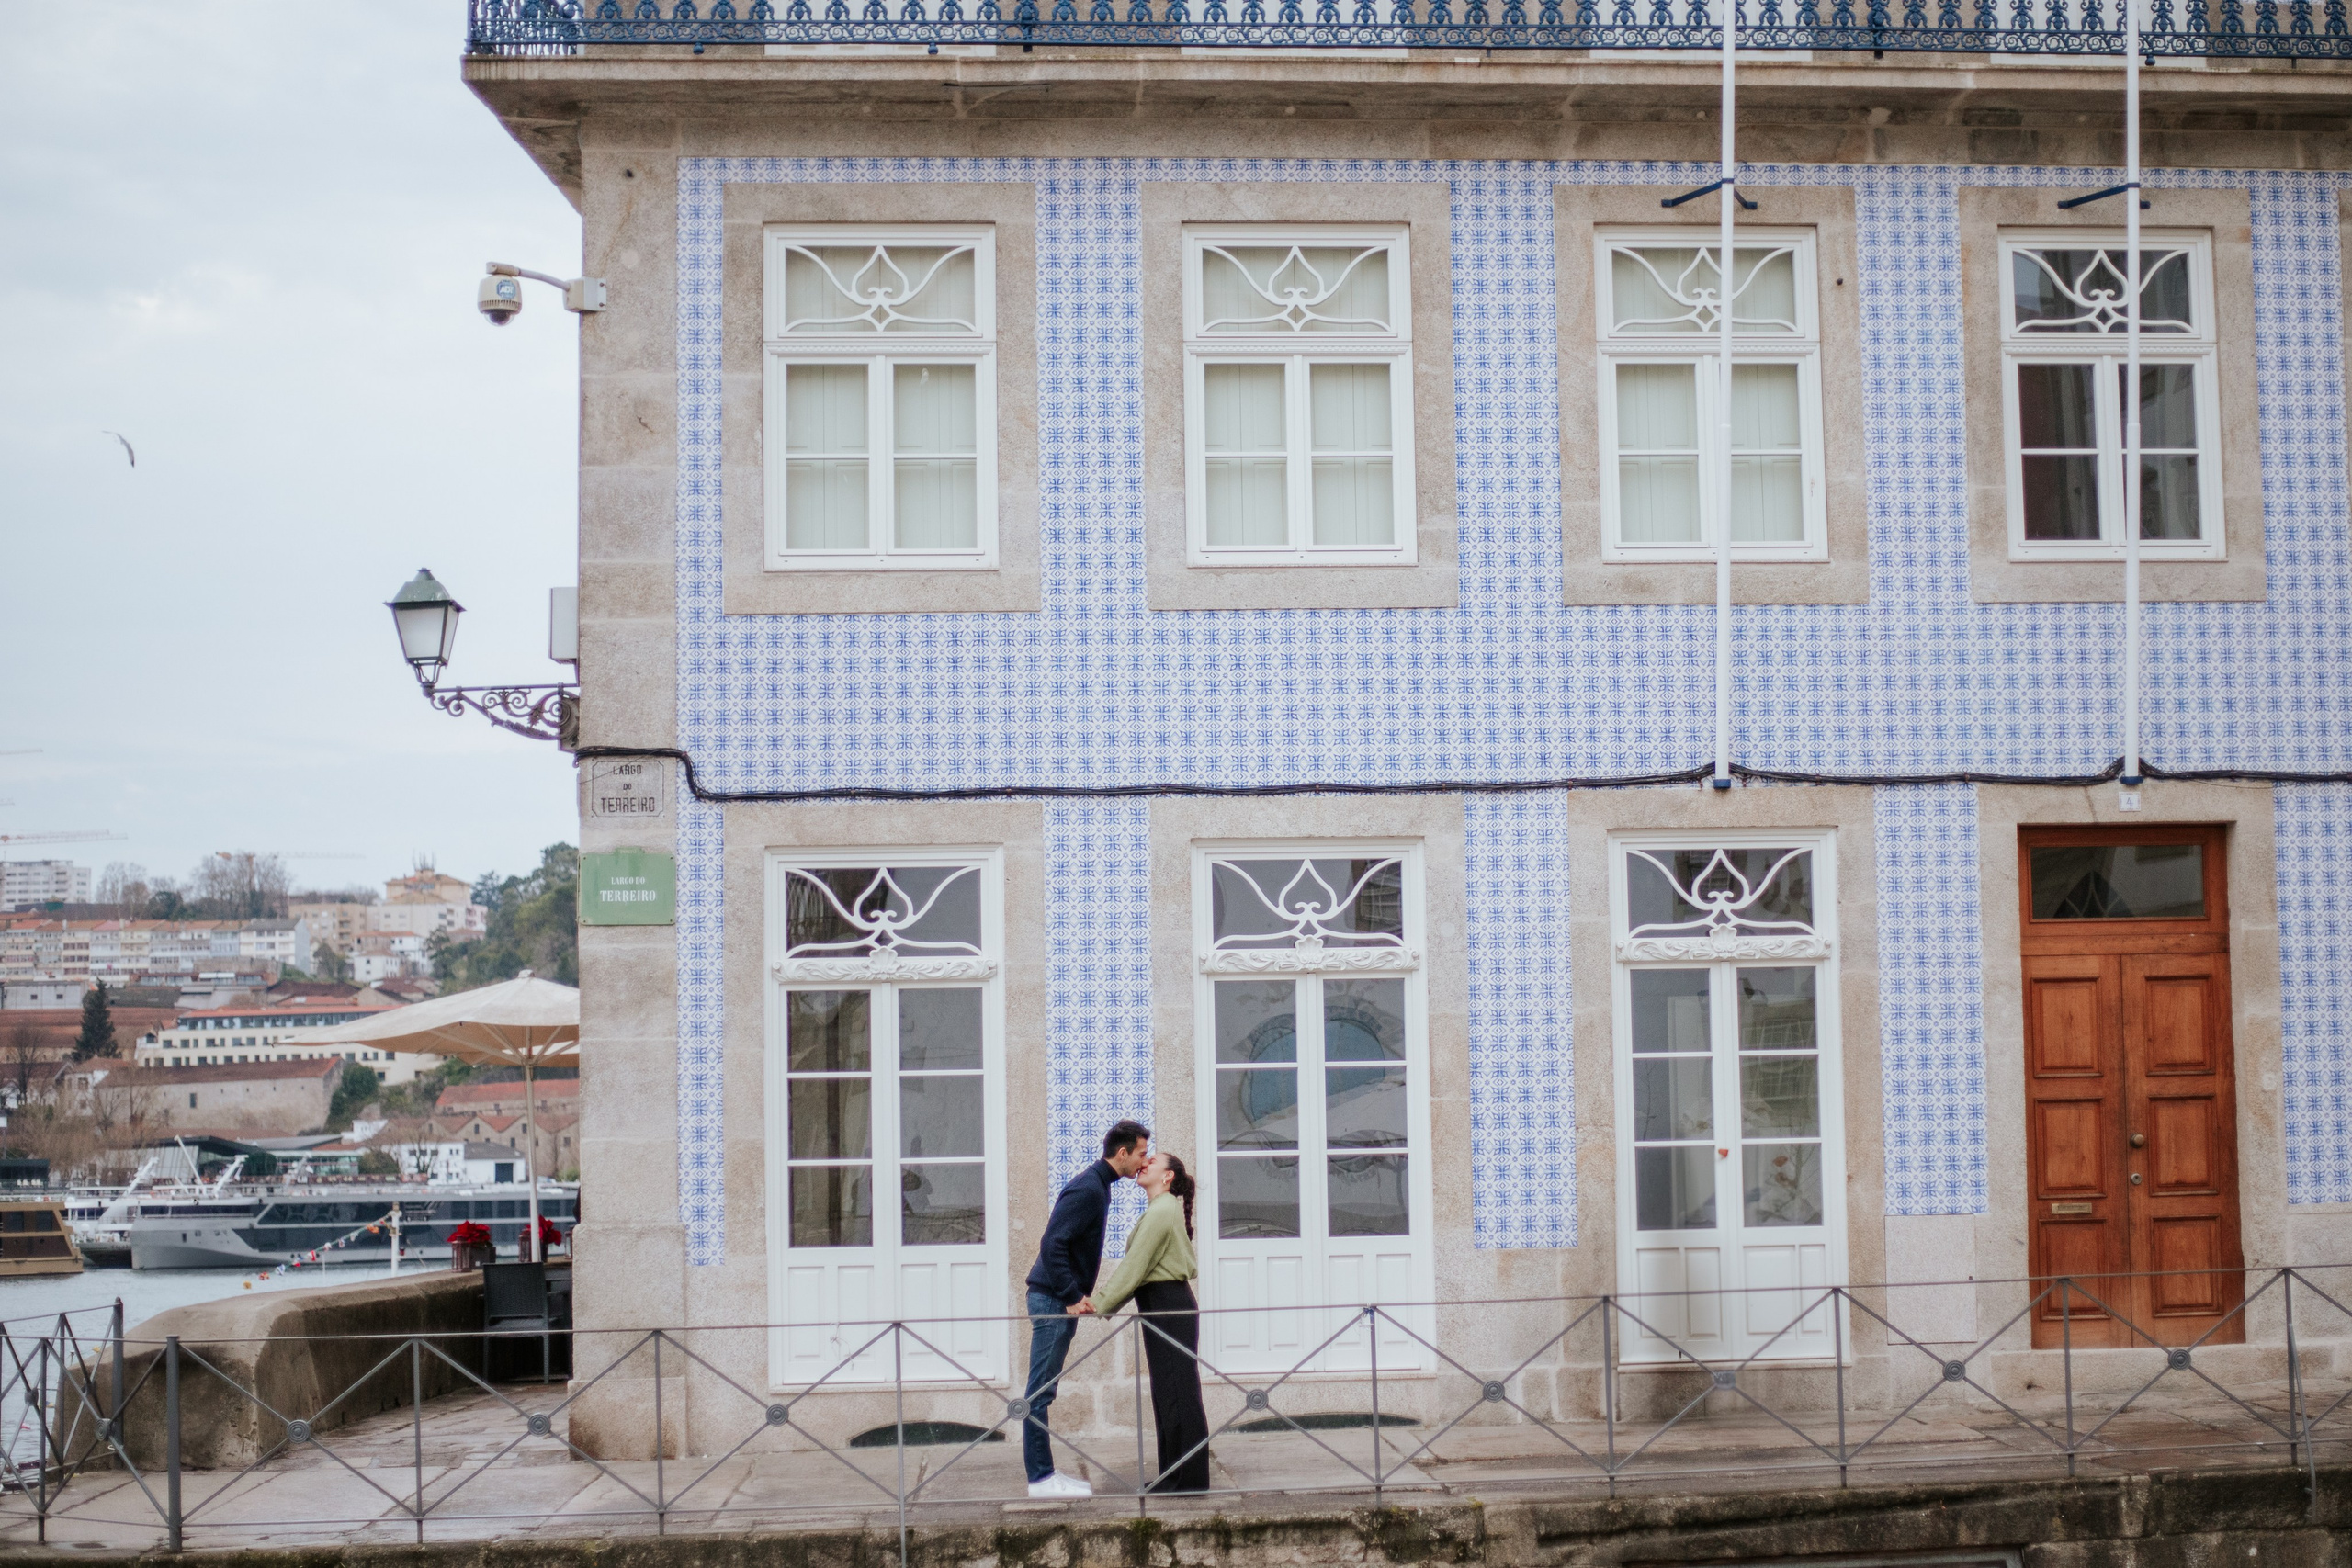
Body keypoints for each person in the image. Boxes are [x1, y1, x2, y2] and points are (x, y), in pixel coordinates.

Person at [1021, 1119, 1151, 1499]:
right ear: (1122, 1153)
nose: (1144, 1162)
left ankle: (1043, 1476)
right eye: (1141, 1154)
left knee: (1043, 1391)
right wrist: (1072, 1295)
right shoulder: (1089, 1189)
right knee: (1039, 1394)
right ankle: (1041, 1480)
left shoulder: (1098, 1186)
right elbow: (1052, 1244)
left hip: (1052, 1297)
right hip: (1050, 1298)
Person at [1082, 1152, 1210, 1494]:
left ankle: (1189, 1480)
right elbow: (1137, 1269)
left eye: (1152, 1161)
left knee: (1178, 1392)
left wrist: (1098, 1303)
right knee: (1167, 1392)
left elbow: (1134, 1266)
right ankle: (1175, 1475)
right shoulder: (1160, 1209)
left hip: (1169, 1304)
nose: (1144, 1163)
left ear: (1167, 1176)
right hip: (1160, 1304)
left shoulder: (1164, 1209)